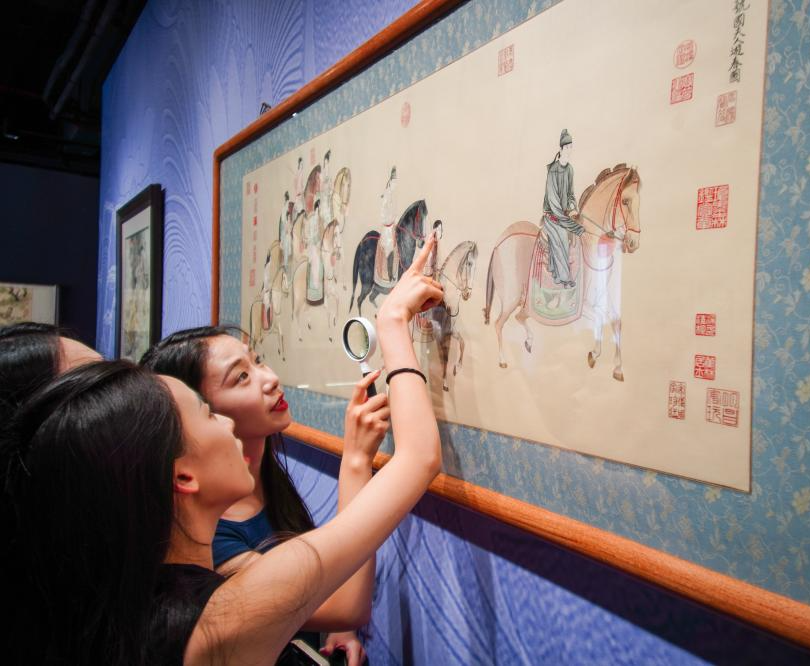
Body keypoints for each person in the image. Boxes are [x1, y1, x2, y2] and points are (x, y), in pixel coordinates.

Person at [2, 238, 443, 665]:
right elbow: (417, 458)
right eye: (208, 414)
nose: (228, 423)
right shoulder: (222, 615)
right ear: (182, 476)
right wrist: (391, 322)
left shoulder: (139, 601)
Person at [140, 319, 386, 663]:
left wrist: (334, 625)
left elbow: (320, 593)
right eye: (241, 377)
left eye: (257, 360)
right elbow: (342, 606)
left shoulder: (263, 481)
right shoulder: (209, 539)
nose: (269, 379)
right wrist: (356, 460)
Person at [541, 129, 584, 288]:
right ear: (561, 149)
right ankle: (565, 279)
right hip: (553, 216)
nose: (569, 150)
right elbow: (553, 203)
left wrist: (573, 208)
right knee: (562, 238)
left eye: (571, 147)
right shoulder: (553, 171)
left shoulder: (570, 169)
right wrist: (572, 225)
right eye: (566, 147)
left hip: (564, 216)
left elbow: (571, 194)